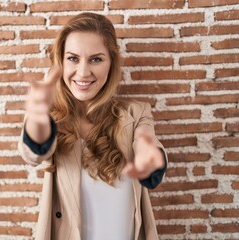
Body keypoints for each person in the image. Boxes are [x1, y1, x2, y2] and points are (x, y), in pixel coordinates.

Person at [18, 12, 168, 240]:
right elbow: (34, 152)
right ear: (60, 61)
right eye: (73, 58)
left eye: (96, 59)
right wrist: (38, 116)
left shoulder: (136, 112)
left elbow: (146, 140)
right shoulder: (51, 120)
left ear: (111, 63)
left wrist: (149, 156)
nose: (83, 72)